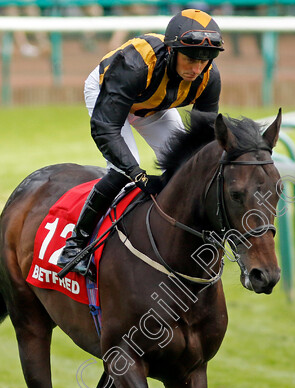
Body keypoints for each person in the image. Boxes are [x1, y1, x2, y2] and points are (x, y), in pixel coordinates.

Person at [56, 9, 224, 275]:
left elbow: (202, 141)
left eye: (206, 60)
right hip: (109, 97)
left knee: (192, 165)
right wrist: (137, 173)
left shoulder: (209, 77)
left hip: (154, 104)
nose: (197, 68)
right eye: (191, 58)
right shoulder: (133, 65)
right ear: (171, 51)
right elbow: (106, 129)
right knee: (122, 172)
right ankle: (75, 245)